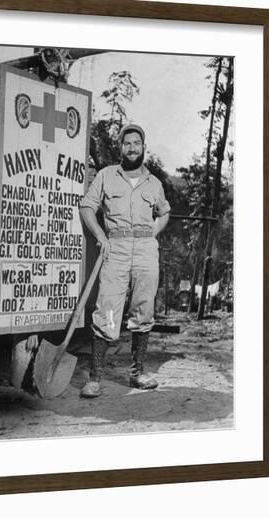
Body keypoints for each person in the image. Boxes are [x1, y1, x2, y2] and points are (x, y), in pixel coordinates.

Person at [79, 124, 171, 398]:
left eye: (136, 143)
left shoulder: (154, 183)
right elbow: (87, 207)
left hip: (145, 250)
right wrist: (101, 237)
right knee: (107, 309)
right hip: (116, 248)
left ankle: (137, 373)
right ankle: (95, 378)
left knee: (143, 310)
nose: (132, 148)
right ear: (120, 148)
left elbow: (164, 212)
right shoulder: (107, 176)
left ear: (144, 147)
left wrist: (153, 233)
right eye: (127, 143)